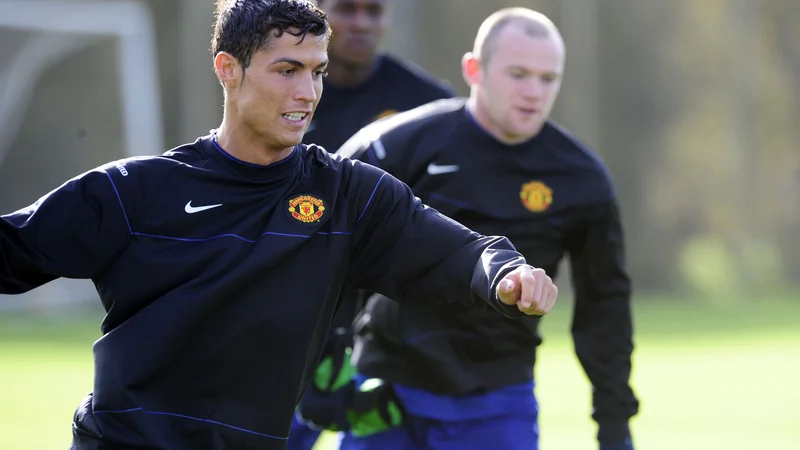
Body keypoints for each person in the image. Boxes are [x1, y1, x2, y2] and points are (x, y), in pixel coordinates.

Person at [0, 2, 559, 450]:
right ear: (228, 69)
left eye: (316, 72)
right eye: (287, 70)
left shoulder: (347, 195)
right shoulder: (136, 191)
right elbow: (15, 249)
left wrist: (504, 273)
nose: (308, 93)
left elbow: (454, 251)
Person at [328, 7, 639, 450]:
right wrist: (327, 359)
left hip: (497, 404)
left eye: (547, 79)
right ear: (474, 69)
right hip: (387, 393)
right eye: (518, 74)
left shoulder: (581, 177)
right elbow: (330, 249)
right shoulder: (395, 146)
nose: (533, 92)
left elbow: (604, 306)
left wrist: (614, 424)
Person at [288, 1, 454, 448]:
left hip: (383, 328)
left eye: (374, 10)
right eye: (346, 9)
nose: (361, 22)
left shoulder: (427, 102)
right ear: (316, 10)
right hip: (291, 314)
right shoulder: (281, 91)